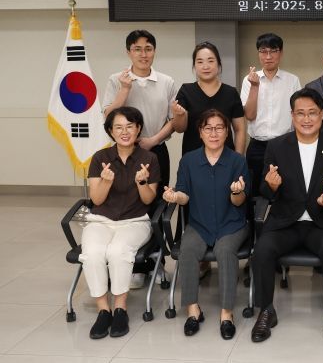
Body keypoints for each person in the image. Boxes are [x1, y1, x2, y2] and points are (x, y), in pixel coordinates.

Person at [250, 88, 323, 344]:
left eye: (312, 113)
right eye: (300, 113)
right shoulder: (276, 146)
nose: (306, 119)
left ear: (322, 115)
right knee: (262, 250)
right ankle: (266, 311)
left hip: (321, 222)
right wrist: (271, 186)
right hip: (285, 222)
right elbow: (264, 191)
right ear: (292, 116)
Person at [162, 110, 249, 340]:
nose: (214, 133)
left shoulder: (237, 161)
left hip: (232, 223)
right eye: (208, 128)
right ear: (200, 133)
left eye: (219, 128)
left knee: (225, 250)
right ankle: (193, 311)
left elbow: (240, 201)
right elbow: (184, 195)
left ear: (227, 132)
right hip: (199, 224)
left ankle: (226, 314)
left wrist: (236, 192)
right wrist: (175, 196)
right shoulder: (189, 161)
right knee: (188, 250)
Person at [102, 29, 176, 289]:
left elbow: (173, 120)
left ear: (154, 51)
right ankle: (130, 263)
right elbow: (109, 117)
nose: (143, 54)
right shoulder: (116, 79)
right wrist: (125, 89)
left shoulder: (166, 81)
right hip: (124, 152)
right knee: (128, 204)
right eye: (137, 49)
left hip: (156, 150)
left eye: (148, 48)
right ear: (128, 52)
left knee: (156, 205)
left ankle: (155, 261)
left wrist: (153, 140)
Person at [83, 106, 160, 339]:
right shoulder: (100, 158)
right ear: (110, 131)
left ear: (138, 129)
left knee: (118, 251)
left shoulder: (149, 158)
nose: (124, 132)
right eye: (118, 127)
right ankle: (103, 310)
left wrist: (142, 183)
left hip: (135, 221)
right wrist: (105, 182)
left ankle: (120, 309)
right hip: (101, 220)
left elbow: (148, 200)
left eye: (129, 126)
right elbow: (96, 200)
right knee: (92, 252)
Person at [172, 41, 246, 278]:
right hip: (194, 161)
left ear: (219, 65)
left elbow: (240, 129)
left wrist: (239, 159)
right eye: (200, 61)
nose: (205, 66)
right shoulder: (186, 91)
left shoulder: (230, 92)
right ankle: (200, 258)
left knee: (227, 203)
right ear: (194, 66)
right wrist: (178, 115)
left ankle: (226, 251)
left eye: (210, 61)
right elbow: (180, 127)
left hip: (225, 161)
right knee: (195, 207)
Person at [240, 32, 301, 199]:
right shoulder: (249, 80)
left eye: (273, 51)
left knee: (285, 193)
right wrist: (254, 86)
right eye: (263, 51)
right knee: (255, 194)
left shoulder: (292, 80)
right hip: (257, 147)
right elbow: (249, 115)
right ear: (258, 53)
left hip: (285, 145)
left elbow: (298, 115)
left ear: (281, 53)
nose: (268, 56)